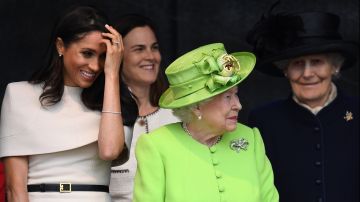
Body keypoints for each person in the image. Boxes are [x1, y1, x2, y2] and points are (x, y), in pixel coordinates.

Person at [0, 6, 125, 202]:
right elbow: (15, 190)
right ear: (60, 46)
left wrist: (112, 74)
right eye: (87, 53)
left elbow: (109, 150)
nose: (95, 66)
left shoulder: (113, 100)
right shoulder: (19, 95)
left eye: (103, 56)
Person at [133, 43, 279, 202]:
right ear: (196, 107)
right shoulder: (157, 146)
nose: (238, 105)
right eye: (228, 97)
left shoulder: (250, 138)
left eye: (236, 95)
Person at [246, 11, 359, 202]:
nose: (307, 73)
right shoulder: (264, 120)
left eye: (317, 62)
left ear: (335, 66)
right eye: (297, 64)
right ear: (285, 70)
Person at [108, 14, 179, 202]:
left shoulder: (179, 114)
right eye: (139, 49)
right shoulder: (103, 118)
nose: (150, 56)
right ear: (118, 56)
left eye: (154, 48)